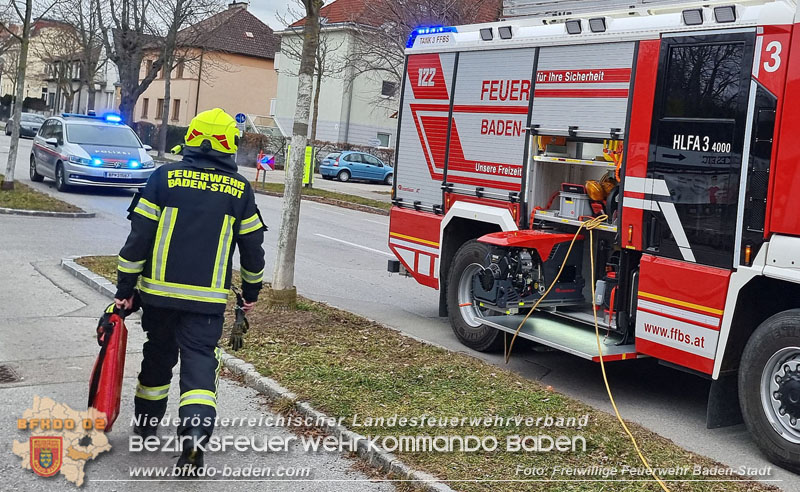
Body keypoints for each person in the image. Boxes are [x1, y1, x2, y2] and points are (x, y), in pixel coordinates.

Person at [114, 108, 266, 475]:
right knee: (199, 367)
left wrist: (125, 288)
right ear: (230, 145)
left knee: (158, 356)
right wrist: (251, 291)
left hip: (158, 298)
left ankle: (146, 427)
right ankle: (195, 438)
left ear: (192, 139)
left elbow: (138, 239)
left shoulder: (162, 178)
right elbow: (253, 249)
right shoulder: (239, 190)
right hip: (206, 303)